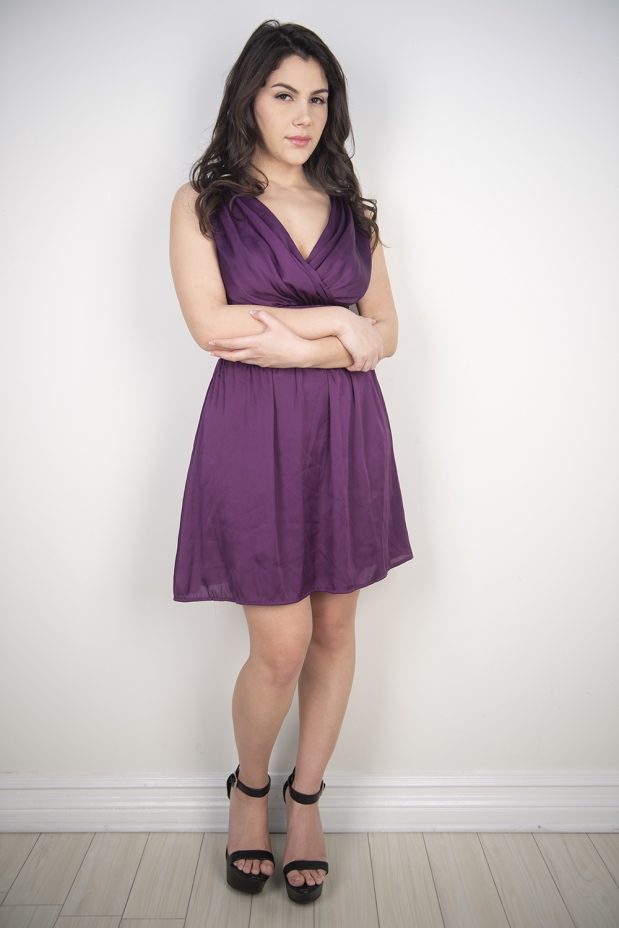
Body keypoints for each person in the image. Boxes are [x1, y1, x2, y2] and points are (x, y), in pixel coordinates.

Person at [169, 19, 413, 904]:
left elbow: (388, 333)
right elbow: (212, 326)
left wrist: (302, 343)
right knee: (280, 646)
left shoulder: (354, 210)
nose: (303, 115)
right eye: (283, 95)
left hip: (345, 433)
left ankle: (305, 800)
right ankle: (248, 788)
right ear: (249, 99)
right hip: (251, 433)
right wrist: (335, 324)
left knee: (336, 631)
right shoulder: (203, 202)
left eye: (317, 98)